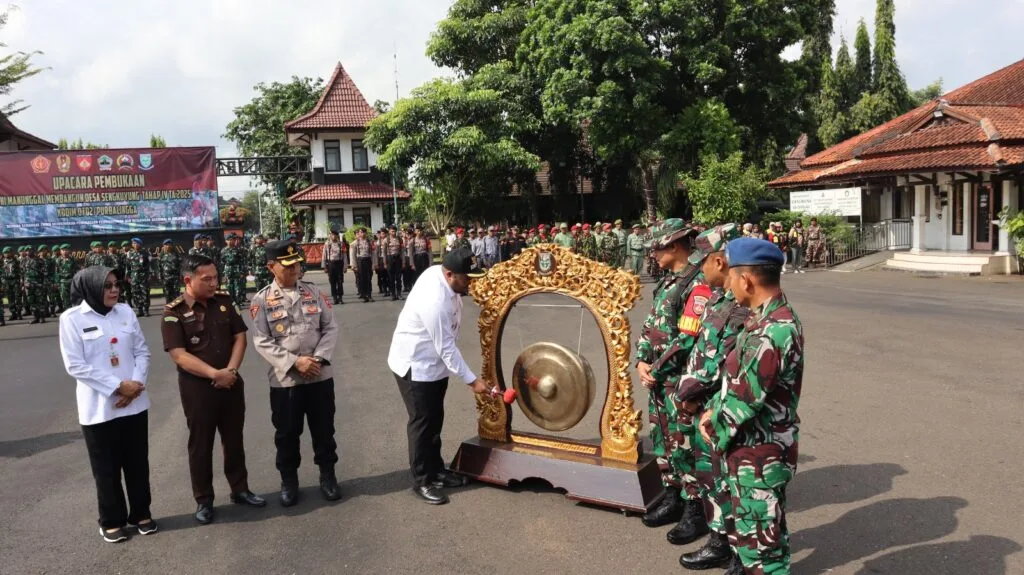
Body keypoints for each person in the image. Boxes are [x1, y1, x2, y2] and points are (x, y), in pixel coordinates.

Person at [699, 237, 803, 575]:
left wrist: (711, 422)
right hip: (752, 448)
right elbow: (735, 381)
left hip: (760, 451)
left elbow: (745, 398)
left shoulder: (773, 331)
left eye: (731, 275)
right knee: (759, 535)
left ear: (746, 280)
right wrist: (711, 407)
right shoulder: (762, 320)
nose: (727, 282)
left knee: (763, 551)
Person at [161, 254, 264, 525]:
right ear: (188, 280)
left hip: (230, 382)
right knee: (200, 444)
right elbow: (179, 354)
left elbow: (239, 337)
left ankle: (240, 489)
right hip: (198, 388)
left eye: (215, 277)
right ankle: (204, 500)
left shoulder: (225, 301)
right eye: (206, 279)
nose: (213, 282)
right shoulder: (174, 311)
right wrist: (213, 374)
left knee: (234, 439)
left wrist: (230, 371)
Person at [58, 266, 155, 542]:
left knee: (137, 463)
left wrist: (134, 386)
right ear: (90, 288)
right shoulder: (72, 319)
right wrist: (116, 387)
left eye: (116, 284)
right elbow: (75, 365)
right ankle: (111, 520)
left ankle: (141, 513)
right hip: (98, 408)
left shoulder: (125, 311)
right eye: (107, 285)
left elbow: (142, 352)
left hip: (134, 404)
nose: (114, 289)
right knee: (106, 467)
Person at [675, 224, 750, 571]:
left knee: (734, 485)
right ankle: (719, 541)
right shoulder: (718, 298)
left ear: (719, 261)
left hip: (722, 407)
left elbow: (725, 362)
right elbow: (701, 349)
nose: (699, 268)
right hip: (705, 407)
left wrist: (691, 394)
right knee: (712, 479)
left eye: (703, 261)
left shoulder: (743, 307)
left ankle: (739, 554)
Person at [387, 248, 488, 505]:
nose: (471, 283)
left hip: (436, 364)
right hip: (415, 365)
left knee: (435, 419)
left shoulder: (443, 277)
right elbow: (447, 349)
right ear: (450, 274)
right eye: (467, 278)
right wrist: (473, 381)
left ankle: (437, 470)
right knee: (422, 423)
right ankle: (422, 480)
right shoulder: (434, 302)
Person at [250, 240, 341, 506]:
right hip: (285, 380)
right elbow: (261, 341)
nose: (295, 270)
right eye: (288, 266)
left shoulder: (314, 292)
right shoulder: (261, 300)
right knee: (287, 434)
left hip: (319, 375)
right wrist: (294, 363)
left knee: (324, 429)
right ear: (271, 267)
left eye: (298, 264)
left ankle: (328, 477)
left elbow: (330, 328)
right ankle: (289, 482)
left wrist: (318, 359)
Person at [639, 219, 712, 543]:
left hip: (678, 381)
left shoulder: (697, 283)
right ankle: (673, 495)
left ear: (674, 246)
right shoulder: (669, 280)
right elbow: (651, 323)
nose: (653, 253)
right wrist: (642, 358)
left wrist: (656, 367)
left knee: (685, 445)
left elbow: (688, 338)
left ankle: (696, 510)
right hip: (659, 379)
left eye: (657, 247)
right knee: (664, 441)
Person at [322, 230, 348, 305]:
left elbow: (345, 256)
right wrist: (324, 266)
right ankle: (334, 298)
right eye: (332, 235)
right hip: (331, 264)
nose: (333, 237)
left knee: (340, 281)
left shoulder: (341, 244)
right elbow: (324, 255)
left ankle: (340, 297)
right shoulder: (327, 244)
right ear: (330, 236)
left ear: (337, 236)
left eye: (335, 235)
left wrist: (345, 266)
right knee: (332, 282)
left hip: (339, 264)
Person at [126, 238, 151, 316]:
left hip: (144, 276)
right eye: (133, 243)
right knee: (135, 293)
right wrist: (128, 276)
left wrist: (150, 275)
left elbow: (150, 265)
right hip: (134, 277)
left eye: (137, 243)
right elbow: (128, 266)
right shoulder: (129, 253)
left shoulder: (146, 253)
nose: (135, 245)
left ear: (140, 244)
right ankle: (139, 310)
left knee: (145, 293)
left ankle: (146, 310)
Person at [159, 240, 181, 304]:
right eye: (166, 245)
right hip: (166, 278)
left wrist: (180, 275)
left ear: (172, 246)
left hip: (175, 277)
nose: (167, 246)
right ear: (163, 246)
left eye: (169, 245)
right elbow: (159, 266)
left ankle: (177, 308)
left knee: (176, 294)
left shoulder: (176, 254)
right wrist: (160, 276)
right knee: (167, 294)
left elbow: (180, 265)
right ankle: (169, 309)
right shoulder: (161, 255)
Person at [2, 246, 20, 322]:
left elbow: (21, 271)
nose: (6, 254)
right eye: (5, 253)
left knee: (17, 298)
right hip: (6, 283)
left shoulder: (16, 261)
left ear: (11, 253)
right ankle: (13, 313)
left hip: (15, 281)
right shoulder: (2, 262)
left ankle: (19, 313)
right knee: (9, 299)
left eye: (8, 252)